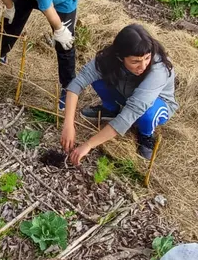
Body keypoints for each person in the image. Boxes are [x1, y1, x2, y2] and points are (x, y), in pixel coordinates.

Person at [61, 24, 177, 163]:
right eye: (135, 61)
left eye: (147, 58)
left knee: (147, 115)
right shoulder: (108, 58)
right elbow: (77, 83)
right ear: (120, 57)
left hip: (157, 102)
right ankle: (111, 109)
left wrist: (88, 144)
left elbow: (133, 110)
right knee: (98, 79)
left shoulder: (158, 69)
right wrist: (68, 124)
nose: (143, 66)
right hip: (127, 93)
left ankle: (146, 135)